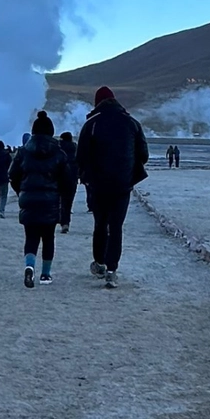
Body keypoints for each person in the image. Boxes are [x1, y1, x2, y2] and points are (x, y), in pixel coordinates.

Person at [77, 86, 149, 289]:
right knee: (116, 227)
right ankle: (111, 271)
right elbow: (143, 153)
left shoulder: (91, 124)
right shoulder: (132, 123)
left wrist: (87, 176)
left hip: (97, 186)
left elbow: (80, 156)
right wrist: (128, 171)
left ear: (97, 102)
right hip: (122, 185)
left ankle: (99, 263)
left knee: (100, 224)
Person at [10, 112, 70, 287]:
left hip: (29, 199)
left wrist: (20, 190)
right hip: (50, 200)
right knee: (48, 237)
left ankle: (29, 267)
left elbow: (13, 174)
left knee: (31, 237)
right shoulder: (59, 153)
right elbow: (66, 180)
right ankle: (45, 274)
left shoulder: (23, 152)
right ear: (52, 131)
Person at [57, 131, 79, 234]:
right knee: (68, 202)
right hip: (72, 179)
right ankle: (66, 223)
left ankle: (60, 219)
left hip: (59, 178)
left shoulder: (58, 149)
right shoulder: (76, 149)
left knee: (58, 200)